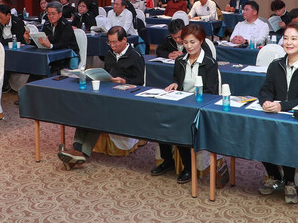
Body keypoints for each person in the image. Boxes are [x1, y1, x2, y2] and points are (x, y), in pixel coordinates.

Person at [58, 26, 145, 169]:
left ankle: (81, 152)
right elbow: (107, 72)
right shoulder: (110, 54)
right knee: (86, 107)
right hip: (107, 92)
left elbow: (140, 81)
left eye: (115, 42)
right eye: (109, 42)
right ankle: (76, 149)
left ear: (124, 40)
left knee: (98, 112)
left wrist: (124, 80)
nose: (112, 46)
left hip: (124, 97)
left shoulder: (135, 56)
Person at [259, 22, 298, 204]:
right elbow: (266, 89)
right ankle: (274, 176)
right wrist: (266, 101)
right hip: (275, 114)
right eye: (286, 38)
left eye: (294, 39)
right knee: (258, 132)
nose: (288, 42)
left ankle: (289, 181)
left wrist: (282, 106)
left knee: (288, 137)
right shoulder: (275, 65)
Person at [151, 24, 219, 184]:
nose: (188, 46)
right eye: (186, 42)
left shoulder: (209, 63)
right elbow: (177, 80)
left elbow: (211, 92)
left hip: (199, 107)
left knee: (180, 125)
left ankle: (189, 167)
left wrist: (192, 98)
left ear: (201, 41)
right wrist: (174, 84)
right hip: (181, 104)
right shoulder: (180, 60)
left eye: (192, 42)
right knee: (162, 119)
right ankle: (167, 160)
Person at [38, 1, 79, 74]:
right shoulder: (47, 24)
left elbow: (63, 44)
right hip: (53, 53)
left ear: (60, 14)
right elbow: (44, 39)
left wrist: (50, 46)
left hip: (68, 56)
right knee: (38, 65)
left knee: (53, 69)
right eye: (49, 14)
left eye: (53, 14)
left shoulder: (66, 25)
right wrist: (28, 40)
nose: (51, 16)